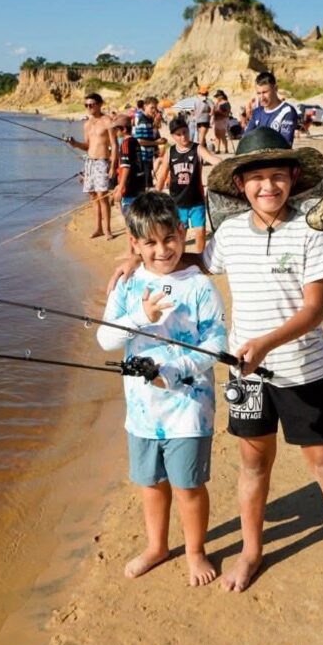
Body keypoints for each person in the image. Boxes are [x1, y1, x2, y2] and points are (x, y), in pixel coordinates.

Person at [108, 128, 323, 599]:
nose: (267, 186)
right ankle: (251, 551)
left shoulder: (312, 232)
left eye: (278, 176)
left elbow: (314, 310)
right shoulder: (231, 233)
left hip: (302, 370)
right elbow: (193, 261)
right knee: (253, 464)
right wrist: (138, 261)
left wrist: (268, 343)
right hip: (245, 374)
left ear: (294, 178)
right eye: (256, 179)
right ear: (240, 185)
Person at [97, 192, 228, 586]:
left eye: (169, 238)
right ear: (134, 244)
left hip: (190, 407)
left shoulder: (199, 286)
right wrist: (141, 315)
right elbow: (106, 340)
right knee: (151, 483)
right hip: (142, 410)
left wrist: (175, 371)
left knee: (188, 485)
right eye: (150, 242)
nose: (162, 250)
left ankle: (195, 550)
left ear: (183, 232)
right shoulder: (127, 284)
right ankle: (157, 546)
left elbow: (216, 343)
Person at [154, 117, 220, 253]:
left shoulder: (197, 148)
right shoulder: (170, 152)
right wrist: (155, 195)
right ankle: (182, 258)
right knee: (180, 234)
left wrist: (226, 163)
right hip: (177, 202)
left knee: (200, 232)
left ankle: (200, 258)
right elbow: (162, 175)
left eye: (185, 132)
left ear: (189, 130)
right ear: (173, 136)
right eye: (178, 134)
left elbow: (212, 159)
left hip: (196, 200)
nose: (183, 136)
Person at [66, 92, 117, 239]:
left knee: (102, 195)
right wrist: (75, 144)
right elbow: (87, 146)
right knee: (93, 195)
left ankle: (107, 230)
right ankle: (98, 228)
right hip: (89, 162)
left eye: (91, 105)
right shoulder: (87, 124)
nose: (88, 107)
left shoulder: (107, 121)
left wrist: (113, 166)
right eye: (86, 105)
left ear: (100, 104)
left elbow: (114, 145)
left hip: (102, 161)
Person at [245, 71, 299, 144]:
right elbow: (245, 139)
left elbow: (286, 144)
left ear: (275, 88)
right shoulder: (257, 112)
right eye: (259, 93)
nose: (262, 97)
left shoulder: (287, 111)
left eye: (265, 92)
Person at [111, 114, 147, 215]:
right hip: (140, 186)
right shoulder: (135, 141)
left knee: (130, 218)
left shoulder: (125, 143)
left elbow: (126, 167)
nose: (115, 132)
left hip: (130, 188)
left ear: (124, 129)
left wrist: (120, 188)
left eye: (116, 129)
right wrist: (119, 185)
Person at [133, 96, 163, 186]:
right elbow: (139, 141)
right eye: (152, 107)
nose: (154, 110)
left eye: (155, 108)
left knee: (148, 183)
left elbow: (150, 135)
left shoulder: (149, 119)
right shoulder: (142, 120)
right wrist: (157, 143)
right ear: (145, 106)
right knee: (145, 185)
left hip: (148, 156)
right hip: (142, 157)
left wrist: (157, 122)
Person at [211, 90, 233, 154]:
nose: (217, 98)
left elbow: (227, 113)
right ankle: (217, 149)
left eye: (218, 96)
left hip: (223, 120)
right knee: (217, 135)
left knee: (222, 135)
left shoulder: (226, 103)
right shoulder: (217, 103)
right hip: (217, 120)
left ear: (221, 96)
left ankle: (226, 149)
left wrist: (219, 112)